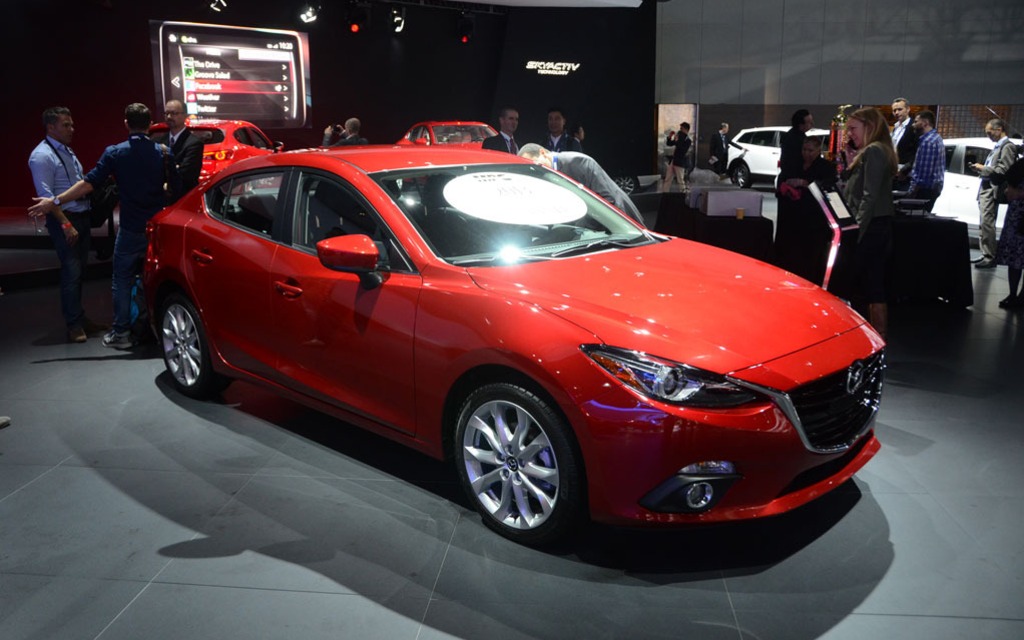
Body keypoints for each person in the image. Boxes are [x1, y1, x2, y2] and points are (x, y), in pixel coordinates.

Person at [28, 103, 179, 349]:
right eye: (67, 124)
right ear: (151, 124)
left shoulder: (115, 153)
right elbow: (178, 189)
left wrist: (55, 200)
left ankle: (121, 333)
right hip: (157, 228)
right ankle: (156, 329)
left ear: (126, 124)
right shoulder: (164, 152)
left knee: (122, 279)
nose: (72, 129)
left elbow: (89, 183)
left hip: (130, 228)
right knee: (158, 277)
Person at [27, 106, 104, 343]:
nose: (72, 129)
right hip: (65, 220)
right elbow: (46, 199)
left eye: (71, 124)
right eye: (66, 125)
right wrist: (65, 224)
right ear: (51, 127)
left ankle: (79, 318)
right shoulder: (42, 156)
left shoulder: (66, 151)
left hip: (80, 216)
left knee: (79, 272)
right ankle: (73, 324)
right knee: (71, 272)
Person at [842, 107, 898, 339]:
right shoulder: (878, 150)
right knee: (871, 283)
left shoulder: (874, 150)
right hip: (876, 226)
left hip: (870, 227)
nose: (850, 134)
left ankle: (871, 338)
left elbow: (869, 195)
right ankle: (875, 337)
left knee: (868, 284)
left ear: (870, 126)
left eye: (853, 128)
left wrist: (856, 231)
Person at [518, 143, 644, 225]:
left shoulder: (578, 162)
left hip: (623, 224)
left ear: (543, 153)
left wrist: (578, 227)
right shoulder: (544, 176)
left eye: (535, 164)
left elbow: (609, 200)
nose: (534, 170)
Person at [971, 118, 1018, 269]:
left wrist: (982, 168)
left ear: (998, 130)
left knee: (987, 223)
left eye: (989, 132)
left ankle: (990, 256)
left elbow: (1003, 169)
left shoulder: (1007, 146)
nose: (988, 136)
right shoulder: (998, 146)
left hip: (992, 189)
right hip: (986, 187)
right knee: (984, 223)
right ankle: (986, 253)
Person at [157, 99, 203, 197]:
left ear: (185, 115)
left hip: (184, 198)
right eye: (167, 113)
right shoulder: (159, 141)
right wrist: (176, 167)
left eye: (173, 113)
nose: (169, 117)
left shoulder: (194, 143)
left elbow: (186, 175)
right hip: (162, 199)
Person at [995, 159, 1024, 309]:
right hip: (1016, 216)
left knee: (1016, 257)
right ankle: (1015, 295)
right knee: (1016, 257)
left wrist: (1018, 193)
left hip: (1017, 215)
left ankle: (1015, 295)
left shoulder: (1019, 166)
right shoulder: (1019, 166)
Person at [907, 110, 944, 212]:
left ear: (925, 123)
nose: (913, 125)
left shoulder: (928, 142)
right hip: (931, 189)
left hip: (924, 191)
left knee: (915, 222)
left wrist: (912, 191)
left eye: (916, 122)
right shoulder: (936, 138)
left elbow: (924, 173)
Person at [779, 109, 814, 186]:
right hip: (793, 180)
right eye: (809, 122)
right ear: (801, 125)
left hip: (787, 178)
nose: (812, 124)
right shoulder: (797, 139)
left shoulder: (791, 135)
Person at [891, 97, 917, 190]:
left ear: (908, 109)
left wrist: (905, 170)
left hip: (906, 176)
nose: (897, 112)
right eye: (894, 110)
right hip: (894, 174)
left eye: (900, 109)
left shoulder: (914, 127)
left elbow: (917, 152)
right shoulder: (896, 127)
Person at [662, 122, 692, 193]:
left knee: (680, 180)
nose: (680, 130)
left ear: (686, 129)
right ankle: (665, 193)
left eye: (682, 129)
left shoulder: (687, 140)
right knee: (668, 178)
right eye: (680, 128)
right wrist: (670, 137)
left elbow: (682, 150)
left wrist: (677, 140)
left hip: (680, 161)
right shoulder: (679, 137)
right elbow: (669, 144)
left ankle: (683, 193)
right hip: (673, 160)